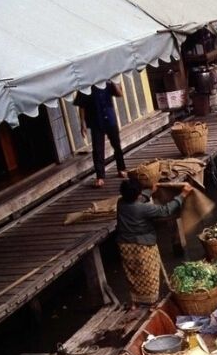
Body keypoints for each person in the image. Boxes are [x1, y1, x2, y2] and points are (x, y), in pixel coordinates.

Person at [116, 178, 192, 309]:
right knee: (148, 273)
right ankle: (152, 302)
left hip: (124, 244)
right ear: (137, 194)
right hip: (141, 245)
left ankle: (136, 301)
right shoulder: (143, 209)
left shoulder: (121, 203)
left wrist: (150, 191)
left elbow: (139, 199)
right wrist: (182, 195)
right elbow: (165, 210)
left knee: (133, 273)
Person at [73, 80, 128, 188]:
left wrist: (114, 82)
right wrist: (82, 123)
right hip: (95, 121)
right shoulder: (85, 86)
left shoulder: (107, 81)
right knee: (98, 149)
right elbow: (82, 106)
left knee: (116, 145)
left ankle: (121, 168)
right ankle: (100, 177)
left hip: (110, 119)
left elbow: (120, 94)